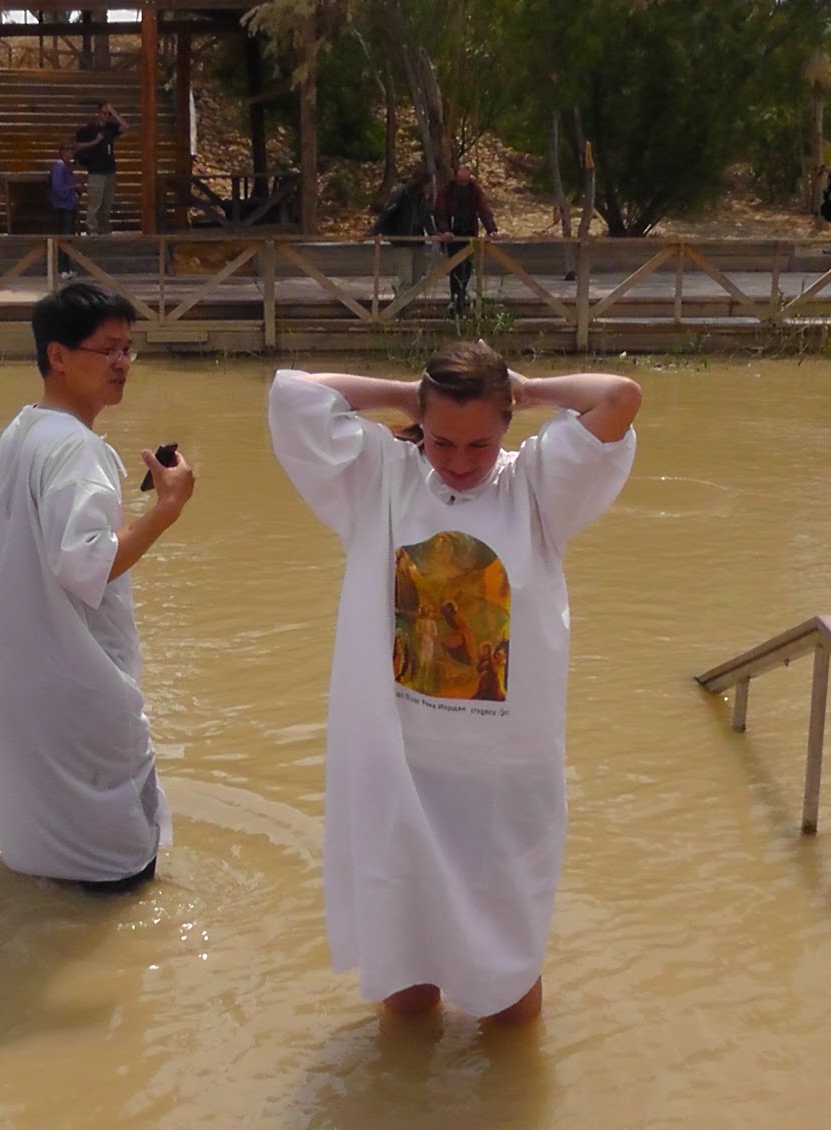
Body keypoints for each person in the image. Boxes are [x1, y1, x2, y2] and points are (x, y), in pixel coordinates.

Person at [268, 341, 640, 1025]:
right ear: (420, 426)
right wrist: (406, 396)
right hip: (400, 768)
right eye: (442, 441)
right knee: (405, 966)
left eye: (479, 444)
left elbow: (619, 397)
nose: (461, 463)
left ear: (507, 428)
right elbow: (294, 396)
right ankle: (412, 1092)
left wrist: (530, 390)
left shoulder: (536, 489)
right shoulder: (381, 477)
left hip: (505, 778)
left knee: (508, 973)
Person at [0, 282, 196, 892]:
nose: (122, 363)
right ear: (58, 356)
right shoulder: (77, 449)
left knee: (44, 859)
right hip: (73, 688)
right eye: (107, 350)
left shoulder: (25, 429)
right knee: (118, 871)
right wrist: (167, 510)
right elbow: (87, 566)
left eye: (128, 349)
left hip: (15, 688)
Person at [433, 164, 499, 318]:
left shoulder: (474, 190)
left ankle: (461, 301)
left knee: (467, 270)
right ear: (455, 178)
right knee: (455, 270)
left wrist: (491, 229)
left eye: (465, 180)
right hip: (452, 235)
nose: (463, 183)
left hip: (469, 233)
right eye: (461, 181)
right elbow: (440, 213)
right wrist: (444, 230)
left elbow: (483, 210)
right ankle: (456, 305)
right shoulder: (446, 191)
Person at [370, 167, 436, 297]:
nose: (431, 187)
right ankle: (399, 308)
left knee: (417, 279)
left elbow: (425, 217)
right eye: (429, 184)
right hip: (402, 243)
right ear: (422, 183)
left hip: (417, 242)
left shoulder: (422, 198)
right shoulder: (401, 194)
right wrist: (375, 230)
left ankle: (407, 307)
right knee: (406, 280)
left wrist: (433, 233)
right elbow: (388, 213)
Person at [74, 100, 127, 235]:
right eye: (103, 113)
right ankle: (92, 228)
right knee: (95, 202)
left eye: (108, 114)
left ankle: (104, 228)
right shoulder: (88, 129)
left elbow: (125, 126)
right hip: (96, 170)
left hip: (110, 170)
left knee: (107, 203)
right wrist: (95, 141)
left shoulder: (110, 128)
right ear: (98, 113)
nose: (105, 116)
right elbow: (78, 145)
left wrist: (114, 112)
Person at [49, 143, 80, 278]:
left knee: (68, 237)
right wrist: (72, 187)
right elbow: (58, 188)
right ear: (62, 152)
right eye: (68, 150)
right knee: (64, 236)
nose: (70, 153)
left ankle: (67, 267)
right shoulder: (59, 167)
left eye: (72, 150)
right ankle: (61, 268)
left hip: (70, 205)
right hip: (63, 206)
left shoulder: (67, 167)